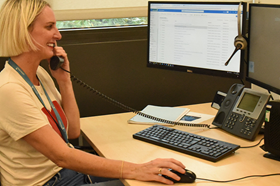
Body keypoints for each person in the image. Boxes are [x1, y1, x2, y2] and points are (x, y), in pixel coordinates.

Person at [0, 0, 186, 185]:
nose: (58, 35)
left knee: (158, 175)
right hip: (48, 182)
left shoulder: (39, 73)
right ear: (22, 31)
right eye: (49, 27)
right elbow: (62, 156)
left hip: (66, 173)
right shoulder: (10, 89)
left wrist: (64, 81)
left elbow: (72, 131)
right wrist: (137, 170)